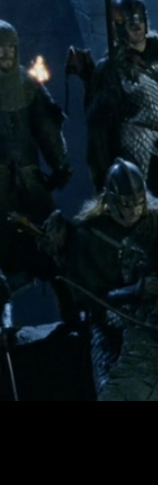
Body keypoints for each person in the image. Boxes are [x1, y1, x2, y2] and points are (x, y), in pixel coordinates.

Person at [70, 0, 158, 221]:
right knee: (140, 213)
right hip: (133, 148)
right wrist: (103, 176)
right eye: (131, 23)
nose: (138, 27)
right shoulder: (111, 67)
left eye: (140, 20)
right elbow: (98, 127)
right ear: (120, 27)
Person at [49, 159, 158, 344]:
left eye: (139, 202)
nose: (134, 211)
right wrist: (134, 290)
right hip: (114, 317)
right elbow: (88, 297)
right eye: (126, 204)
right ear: (110, 201)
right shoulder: (88, 234)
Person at [0, 20, 71, 290]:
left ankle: (68, 303)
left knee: (50, 242)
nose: (6, 52)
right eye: (0, 47)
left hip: (29, 177)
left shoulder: (28, 84)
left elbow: (45, 128)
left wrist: (60, 164)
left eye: (10, 47)